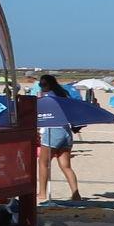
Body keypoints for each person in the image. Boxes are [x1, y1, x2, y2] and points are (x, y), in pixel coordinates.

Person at [36, 74, 82, 204]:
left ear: (49, 85)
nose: (42, 87)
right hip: (65, 132)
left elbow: (42, 114)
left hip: (53, 131)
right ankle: (76, 193)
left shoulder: (47, 97)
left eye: (43, 84)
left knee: (43, 163)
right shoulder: (63, 95)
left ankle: (42, 192)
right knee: (66, 166)